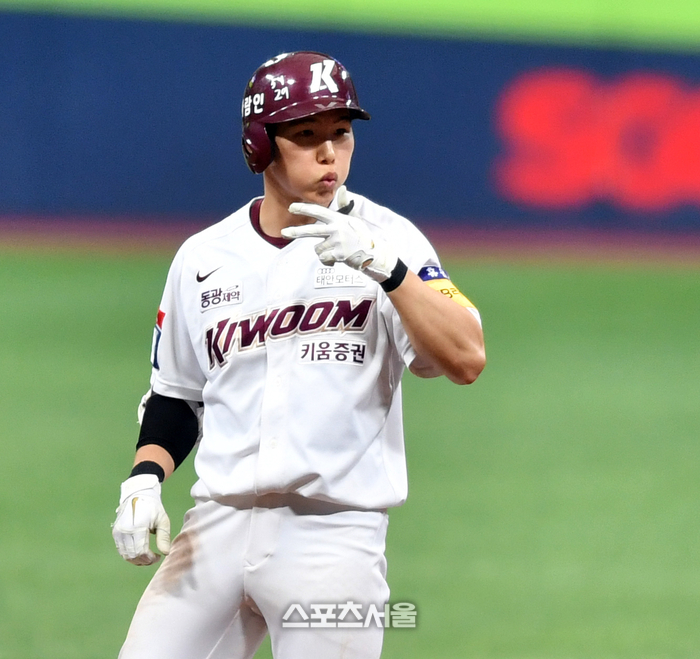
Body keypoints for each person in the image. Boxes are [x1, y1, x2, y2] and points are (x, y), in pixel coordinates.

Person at [111, 50, 485, 659]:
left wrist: (387, 270)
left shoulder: (390, 239)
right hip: (214, 531)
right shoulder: (203, 257)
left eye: (341, 132)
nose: (329, 153)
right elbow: (177, 397)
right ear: (260, 145)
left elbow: (466, 358)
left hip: (334, 539)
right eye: (306, 135)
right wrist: (143, 481)